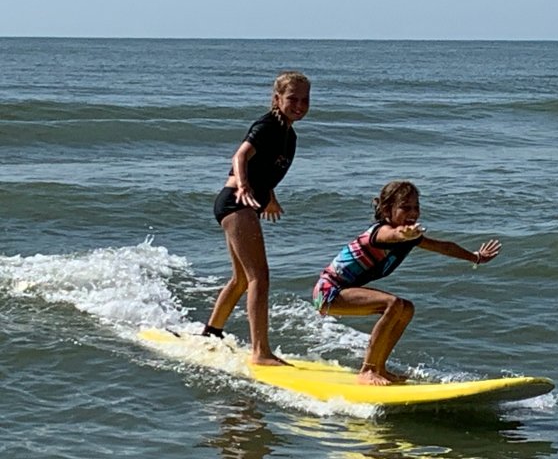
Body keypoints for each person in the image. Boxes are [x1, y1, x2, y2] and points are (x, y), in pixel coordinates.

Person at [312, 180, 502, 385]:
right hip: (328, 291)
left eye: (416, 207)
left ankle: (380, 368)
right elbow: (392, 234)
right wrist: (403, 233)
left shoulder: (411, 237)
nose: (413, 212)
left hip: (344, 290)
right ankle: (367, 370)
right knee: (392, 304)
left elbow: (444, 247)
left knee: (407, 308)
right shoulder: (380, 232)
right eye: (405, 207)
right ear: (386, 210)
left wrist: (475, 257)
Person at [203, 71, 311, 366]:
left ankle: (211, 333)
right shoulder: (267, 126)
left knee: (241, 278)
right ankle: (260, 352)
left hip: (242, 205)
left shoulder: (289, 134)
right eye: (292, 99)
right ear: (277, 99)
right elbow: (240, 157)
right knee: (259, 278)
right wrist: (244, 185)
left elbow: (267, 168)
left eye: (305, 99)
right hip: (237, 203)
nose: (299, 105)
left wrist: (270, 197)